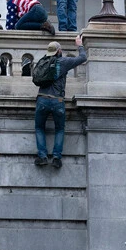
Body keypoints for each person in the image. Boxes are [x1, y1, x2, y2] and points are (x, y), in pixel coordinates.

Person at [34, 36, 87, 168]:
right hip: (57, 100)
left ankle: (42, 156)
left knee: (39, 128)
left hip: (42, 99)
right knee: (59, 129)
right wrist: (79, 45)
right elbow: (82, 58)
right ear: (59, 51)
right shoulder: (63, 61)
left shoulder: (42, 61)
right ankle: (56, 158)